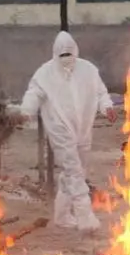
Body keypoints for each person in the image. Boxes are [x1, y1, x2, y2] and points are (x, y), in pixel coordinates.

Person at [20, 31, 116, 231]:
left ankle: (62, 215)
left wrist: (106, 107)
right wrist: (26, 111)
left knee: (74, 170)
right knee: (73, 170)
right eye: (62, 55)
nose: (67, 59)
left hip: (83, 127)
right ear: (55, 54)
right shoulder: (44, 73)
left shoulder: (88, 70)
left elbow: (100, 92)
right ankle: (85, 216)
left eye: (69, 54)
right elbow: (34, 93)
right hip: (59, 127)